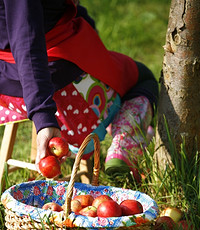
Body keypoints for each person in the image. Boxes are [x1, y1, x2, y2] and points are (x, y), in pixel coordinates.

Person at [0, 0, 158, 181]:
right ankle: (124, 143)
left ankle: (106, 130)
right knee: (143, 78)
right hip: (59, 88)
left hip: (7, 87)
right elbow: (26, 42)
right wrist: (43, 115)